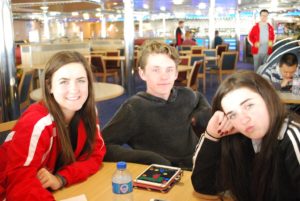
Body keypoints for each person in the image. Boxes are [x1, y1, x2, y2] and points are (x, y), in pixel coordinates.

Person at [0, 51, 106, 200]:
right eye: (64, 81)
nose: (74, 89)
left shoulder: (87, 111)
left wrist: (61, 178)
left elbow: (95, 154)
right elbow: (20, 187)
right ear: (49, 86)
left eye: (81, 80)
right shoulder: (37, 122)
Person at [191, 71, 300, 201]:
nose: (243, 119)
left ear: (267, 97)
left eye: (249, 106)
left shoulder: (292, 136)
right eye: (232, 115)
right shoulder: (243, 139)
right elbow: (203, 186)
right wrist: (212, 135)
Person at [102, 41, 211, 170]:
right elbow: (104, 146)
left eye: (169, 70)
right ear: (142, 74)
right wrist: (149, 158)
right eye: (155, 70)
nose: (164, 76)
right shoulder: (135, 108)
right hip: (165, 172)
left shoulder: (186, 94)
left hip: (198, 164)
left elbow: (199, 98)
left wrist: (202, 114)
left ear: (176, 73)